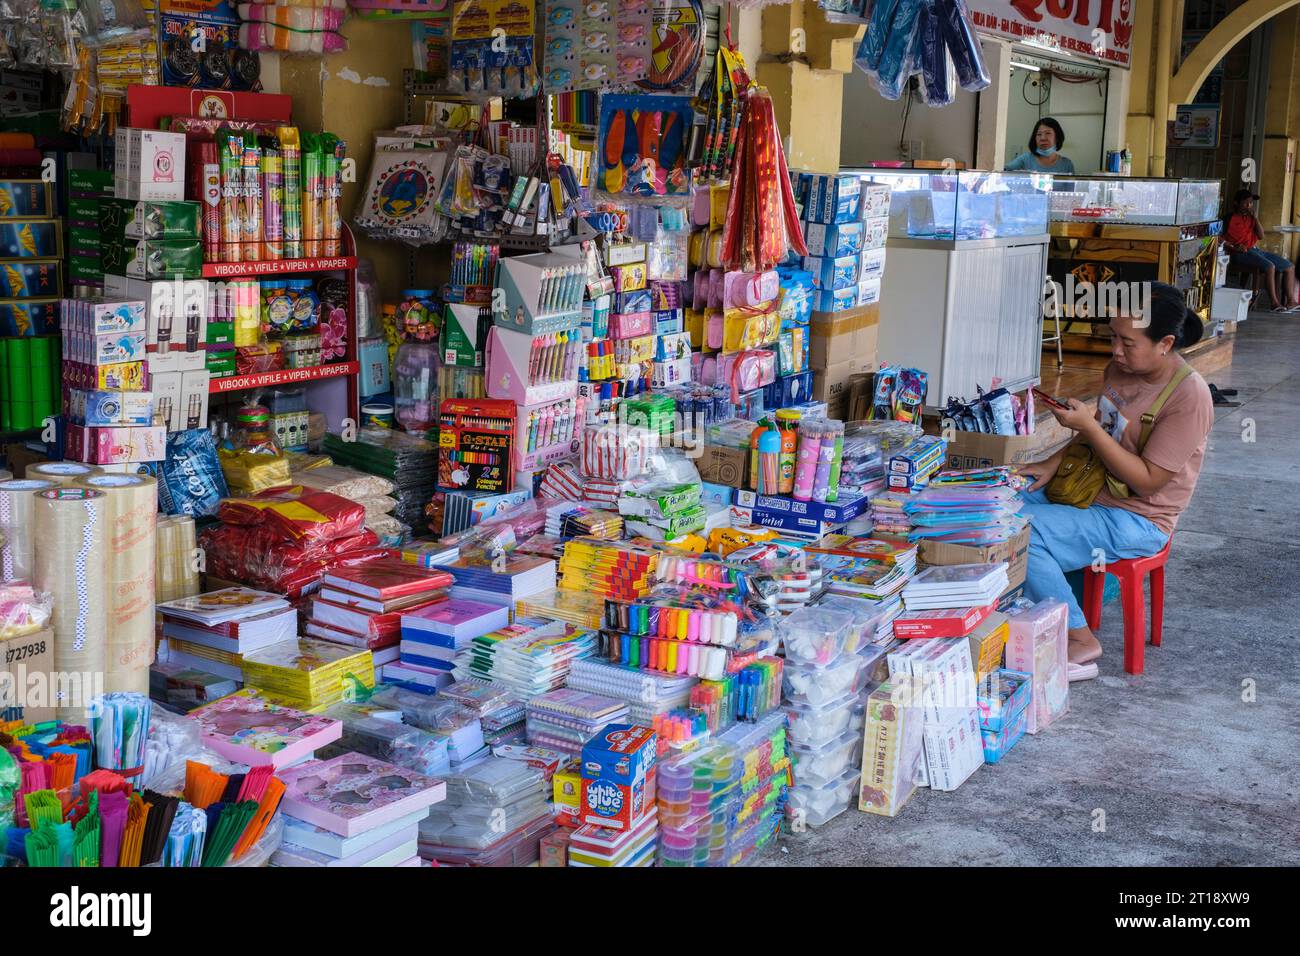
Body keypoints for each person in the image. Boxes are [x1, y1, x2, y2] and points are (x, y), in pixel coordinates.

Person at [1018, 283, 1213, 680]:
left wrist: (1089, 427)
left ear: (1165, 343)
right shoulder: (1119, 370)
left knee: (1022, 531)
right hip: (1088, 491)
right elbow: (1101, 431)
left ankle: (1080, 639)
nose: (1116, 351)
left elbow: (1147, 482)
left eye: (1127, 342)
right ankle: (1023, 615)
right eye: (1112, 338)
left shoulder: (1188, 397)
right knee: (995, 508)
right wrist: (1053, 462)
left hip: (1138, 518)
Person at [1223, 188, 1298, 312]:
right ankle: (1274, 303)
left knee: (1290, 267)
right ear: (1236, 203)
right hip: (1239, 253)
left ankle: (1291, 301)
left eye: (1251, 202)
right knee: (1270, 266)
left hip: (1255, 250)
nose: (1249, 205)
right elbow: (1218, 238)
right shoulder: (1229, 218)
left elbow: (1261, 236)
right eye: (1246, 202)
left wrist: (1256, 218)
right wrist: (1232, 246)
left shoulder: (1251, 218)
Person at [1005, 118, 1076, 174]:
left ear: (1057, 137)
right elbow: (1002, 172)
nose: (1043, 138)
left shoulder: (1067, 164)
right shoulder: (1025, 159)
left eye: (1048, 133)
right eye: (1039, 134)